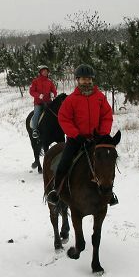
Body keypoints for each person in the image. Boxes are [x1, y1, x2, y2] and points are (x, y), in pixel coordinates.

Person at [47, 64, 118, 206]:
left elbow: (107, 116)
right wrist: (76, 135)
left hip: (96, 139)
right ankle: (56, 191)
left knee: (107, 163)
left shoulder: (100, 97)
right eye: (83, 79)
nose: (86, 81)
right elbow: (64, 118)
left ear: (92, 80)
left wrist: (102, 134)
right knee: (64, 163)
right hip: (76, 140)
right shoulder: (71, 99)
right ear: (77, 80)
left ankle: (109, 193)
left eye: (89, 79)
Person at [29, 65, 57, 139]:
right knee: (37, 113)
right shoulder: (35, 81)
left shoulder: (50, 82)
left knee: (56, 112)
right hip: (38, 103)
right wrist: (38, 95)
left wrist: (53, 94)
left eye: (46, 71)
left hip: (48, 102)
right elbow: (31, 91)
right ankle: (35, 130)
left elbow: (54, 90)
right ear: (40, 72)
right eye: (43, 71)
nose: (45, 72)